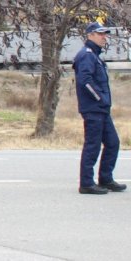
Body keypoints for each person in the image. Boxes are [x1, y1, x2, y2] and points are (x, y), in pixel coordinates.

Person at [73, 22, 126, 194]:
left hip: (101, 109)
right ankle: (87, 183)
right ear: (90, 35)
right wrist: (100, 98)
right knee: (93, 145)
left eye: (105, 34)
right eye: (100, 34)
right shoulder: (86, 55)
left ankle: (105, 178)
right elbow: (85, 81)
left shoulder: (95, 56)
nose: (104, 37)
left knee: (113, 143)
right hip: (93, 109)